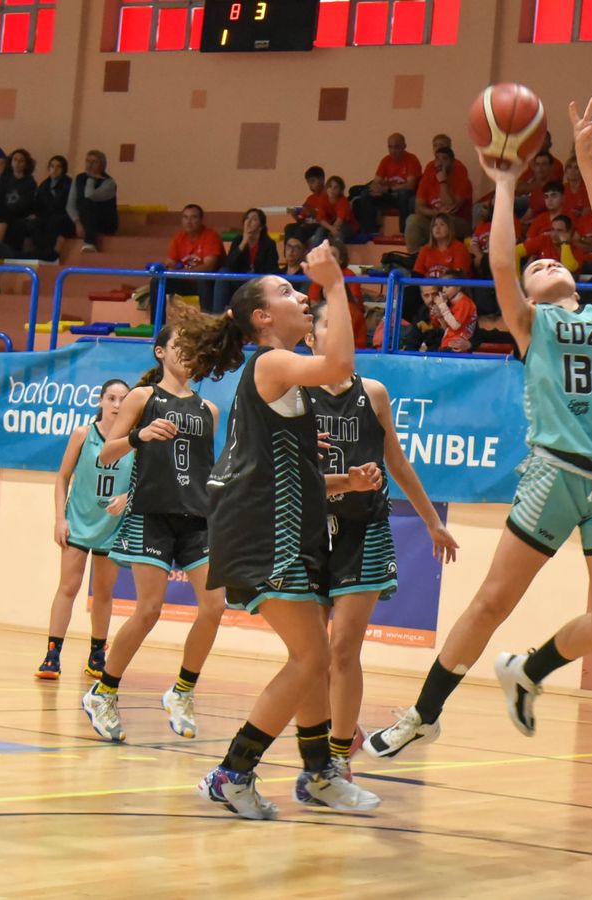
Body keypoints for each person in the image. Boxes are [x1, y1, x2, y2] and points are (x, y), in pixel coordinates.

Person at [363, 96, 592, 757]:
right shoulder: (530, 326)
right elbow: (500, 267)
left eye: (553, 261)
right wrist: (507, 181)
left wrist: (585, 161)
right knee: (492, 600)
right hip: (555, 471)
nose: (543, 263)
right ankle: (424, 712)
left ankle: (529, 671)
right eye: (535, 266)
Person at [195, 243, 382, 819]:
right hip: (260, 535)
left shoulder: (284, 387)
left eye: (299, 289)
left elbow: (279, 476)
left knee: (316, 658)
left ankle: (319, 774)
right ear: (263, 320)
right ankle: (234, 772)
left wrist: (340, 483)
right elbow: (340, 368)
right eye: (286, 292)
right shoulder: (270, 363)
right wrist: (333, 285)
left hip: (273, 527)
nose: (298, 296)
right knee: (310, 658)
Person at [304, 302, 458, 784]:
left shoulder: (373, 393)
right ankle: (329, 737)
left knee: (344, 649)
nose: (341, 334)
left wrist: (433, 521)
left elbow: (398, 461)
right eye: (330, 325)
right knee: (311, 655)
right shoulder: (292, 392)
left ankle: (337, 756)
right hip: (308, 528)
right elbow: (282, 472)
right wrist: (342, 480)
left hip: (363, 529)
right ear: (310, 340)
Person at [80, 327, 227, 743]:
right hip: (152, 514)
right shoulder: (142, 399)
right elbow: (106, 452)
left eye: (192, 344)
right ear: (161, 351)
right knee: (148, 610)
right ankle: (103, 692)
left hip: (196, 517)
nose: (187, 351)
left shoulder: (209, 410)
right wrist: (138, 436)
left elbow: (202, 469)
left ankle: (182, 691)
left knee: (214, 605)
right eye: (178, 344)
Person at [37, 379, 134, 681]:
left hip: (111, 526)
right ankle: (52, 654)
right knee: (68, 587)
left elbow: (141, 482)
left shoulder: (134, 441)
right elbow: (62, 476)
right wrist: (59, 518)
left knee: (103, 593)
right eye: (112, 398)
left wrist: (127, 497)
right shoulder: (83, 434)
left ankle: (97, 654)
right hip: (78, 523)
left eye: (123, 399)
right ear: (102, 401)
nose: (117, 405)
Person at [405, 146, 472, 252]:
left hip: (457, 223)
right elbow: (419, 207)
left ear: (452, 162)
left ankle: (444, 254)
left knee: (444, 221)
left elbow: (450, 209)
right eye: (437, 159)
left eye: (444, 159)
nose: (440, 163)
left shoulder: (463, 181)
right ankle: (414, 257)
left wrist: (443, 182)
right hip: (434, 220)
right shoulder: (428, 178)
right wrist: (436, 213)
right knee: (412, 220)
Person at [353, 132, 421, 235]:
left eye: (397, 147)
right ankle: (370, 232)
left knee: (404, 194)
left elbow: (410, 185)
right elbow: (376, 181)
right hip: (390, 195)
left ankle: (404, 232)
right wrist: (376, 190)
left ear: (404, 146)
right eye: (390, 147)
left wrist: (388, 189)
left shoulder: (412, 159)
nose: (393, 150)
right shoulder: (386, 160)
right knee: (366, 194)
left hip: (405, 197)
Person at [214, 208, 280, 314]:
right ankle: (217, 316)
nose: (248, 222)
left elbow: (271, 270)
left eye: (254, 219)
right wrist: (243, 243)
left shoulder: (269, 244)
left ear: (261, 227)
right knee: (223, 271)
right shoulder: (238, 241)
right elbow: (228, 264)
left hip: (258, 282)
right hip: (239, 280)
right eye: (247, 219)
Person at [161, 204, 224, 313]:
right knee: (158, 281)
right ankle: (156, 325)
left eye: (193, 217)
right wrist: (169, 268)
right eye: (185, 217)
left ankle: (208, 323)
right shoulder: (178, 238)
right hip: (185, 281)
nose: (188, 221)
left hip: (207, 283)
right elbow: (170, 262)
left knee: (203, 279)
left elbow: (209, 267)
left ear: (201, 220)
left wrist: (181, 271)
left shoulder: (211, 236)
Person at [68, 149, 118, 252]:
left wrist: (91, 179)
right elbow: (70, 204)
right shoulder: (79, 178)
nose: (90, 165)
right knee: (55, 221)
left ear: (102, 165)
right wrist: (77, 223)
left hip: (104, 220)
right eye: (88, 161)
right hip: (83, 220)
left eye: (94, 162)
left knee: (87, 203)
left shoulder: (109, 183)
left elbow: (89, 195)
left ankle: (90, 243)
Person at [0, 148, 37, 255]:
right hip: (3, 213)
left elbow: (25, 203)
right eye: (15, 160)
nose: (17, 163)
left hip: (20, 215)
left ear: (26, 164)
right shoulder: (4, 179)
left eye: (21, 160)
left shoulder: (30, 182)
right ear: (11, 162)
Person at [32, 155, 74, 262]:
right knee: (35, 223)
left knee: (54, 221)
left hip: (65, 217)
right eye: (52, 166)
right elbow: (38, 205)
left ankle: (52, 252)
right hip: (47, 216)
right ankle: (40, 251)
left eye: (58, 167)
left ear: (64, 169)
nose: (54, 170)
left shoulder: (69, 184)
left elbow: (68, 205)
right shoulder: (44, 185)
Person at [285, 166, 333, 247]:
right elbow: (302, 219)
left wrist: (314, 213)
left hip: (319, 226)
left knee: (300, 231)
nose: (310, 185)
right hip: (307, 225)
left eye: (313, 181)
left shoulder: (329, 196)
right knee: (289, 228)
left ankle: (299, 254)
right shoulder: (310, 199)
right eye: (308, 183)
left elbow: (331, 217)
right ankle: (288, 253)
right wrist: (296, 216)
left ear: (322, 179)